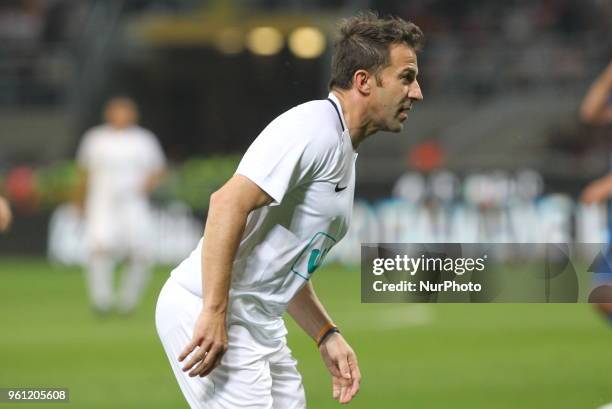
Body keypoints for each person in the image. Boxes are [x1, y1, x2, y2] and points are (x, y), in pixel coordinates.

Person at [155, 12, 424, 408]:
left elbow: (287, 263)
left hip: (259, 323)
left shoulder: (342, 149)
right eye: (406, 77)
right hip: (209, 310)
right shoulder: (312, 129)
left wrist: (325, 332)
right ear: (364, 81)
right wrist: (213, 311)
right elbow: (227, 203)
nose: (416, 92)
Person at [76, 96, 166, 314]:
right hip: (102, 203)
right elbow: (84, 172)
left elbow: (158, 170)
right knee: (99, 249)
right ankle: (102, 301)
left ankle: (128, 301)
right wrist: (79, 201)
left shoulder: (143, 140)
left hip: (133, 203)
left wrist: (145, 186)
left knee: (139, 252)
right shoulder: (95, 138)